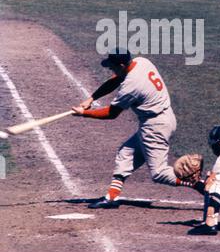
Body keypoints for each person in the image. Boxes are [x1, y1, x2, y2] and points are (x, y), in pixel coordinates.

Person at [72, 48, 202, 209]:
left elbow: (112, 114)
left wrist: (84, 113)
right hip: (161, 118)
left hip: (155, 126)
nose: (110, 69)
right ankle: (111, 198)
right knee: (126, 152)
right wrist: (91, 98)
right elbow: (115, 79)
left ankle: (199, 184)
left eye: (112, 66)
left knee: (159, 173)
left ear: (121, 64)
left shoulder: (132, 85)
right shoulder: (141, 62)